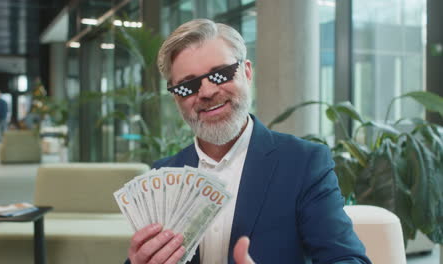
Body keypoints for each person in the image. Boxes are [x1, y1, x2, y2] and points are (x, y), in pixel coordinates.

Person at [125, 19, 371, 264]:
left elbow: (347, 259)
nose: (207, 92)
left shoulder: (304, 163)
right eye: (188, 85)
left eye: (220, 74)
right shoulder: (163, 176)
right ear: (175, 97)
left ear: (247, 72)